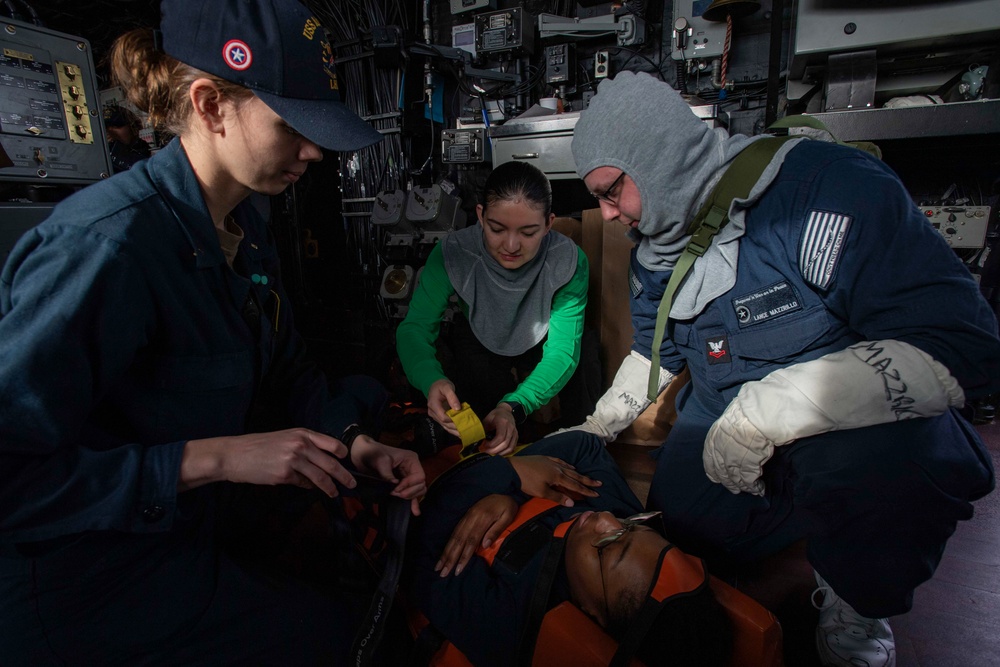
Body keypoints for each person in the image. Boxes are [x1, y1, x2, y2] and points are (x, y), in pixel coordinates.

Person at [0, 1, 425, 664]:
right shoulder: (105, 248)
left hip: (183, 535)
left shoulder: (245, 229)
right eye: (292, 126)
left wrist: (354, 439)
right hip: (80, 581)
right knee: (334, 643)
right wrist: (213, 458)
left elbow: (287, 372)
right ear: (209, 104)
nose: (313, 151)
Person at [565, 71, 1000, 667]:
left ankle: (857, 603)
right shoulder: (657, 248)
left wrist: (772, 409)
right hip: (722, 413)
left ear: (659, 158)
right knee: (687, 524)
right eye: (598, 199)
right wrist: (597, 426)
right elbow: (655, 354)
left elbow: (962, 347)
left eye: (613, 190)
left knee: (888, 479)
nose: (608, 215)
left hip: (846, 420)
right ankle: (819, 515)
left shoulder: (823, 190)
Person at [407, 432, 732, 667]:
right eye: (633, 526)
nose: (607, 519)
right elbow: (585, 446)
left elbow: (418, 544)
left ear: (591, 612)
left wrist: (506, 475)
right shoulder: (618, 519)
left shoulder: (509, 626)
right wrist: (511, 483)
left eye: (607, 549)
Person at [396, 160, 589, 455]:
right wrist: (430, 379)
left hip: (544, 339)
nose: (511, 246)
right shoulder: (453, 254)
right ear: (481, 216)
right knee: (483, 430)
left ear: (549, 224)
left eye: (528, 233)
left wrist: (514, 405)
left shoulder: (568, 261)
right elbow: (415, 328)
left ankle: (581, 452)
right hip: (480, 336)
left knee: (585, 359)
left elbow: (563, 350)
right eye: (497, 228)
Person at [103, 102, 152, 172]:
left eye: (115, 126)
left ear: (134, 129)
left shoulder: (148, 159)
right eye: (105, 128)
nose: (108, 132)